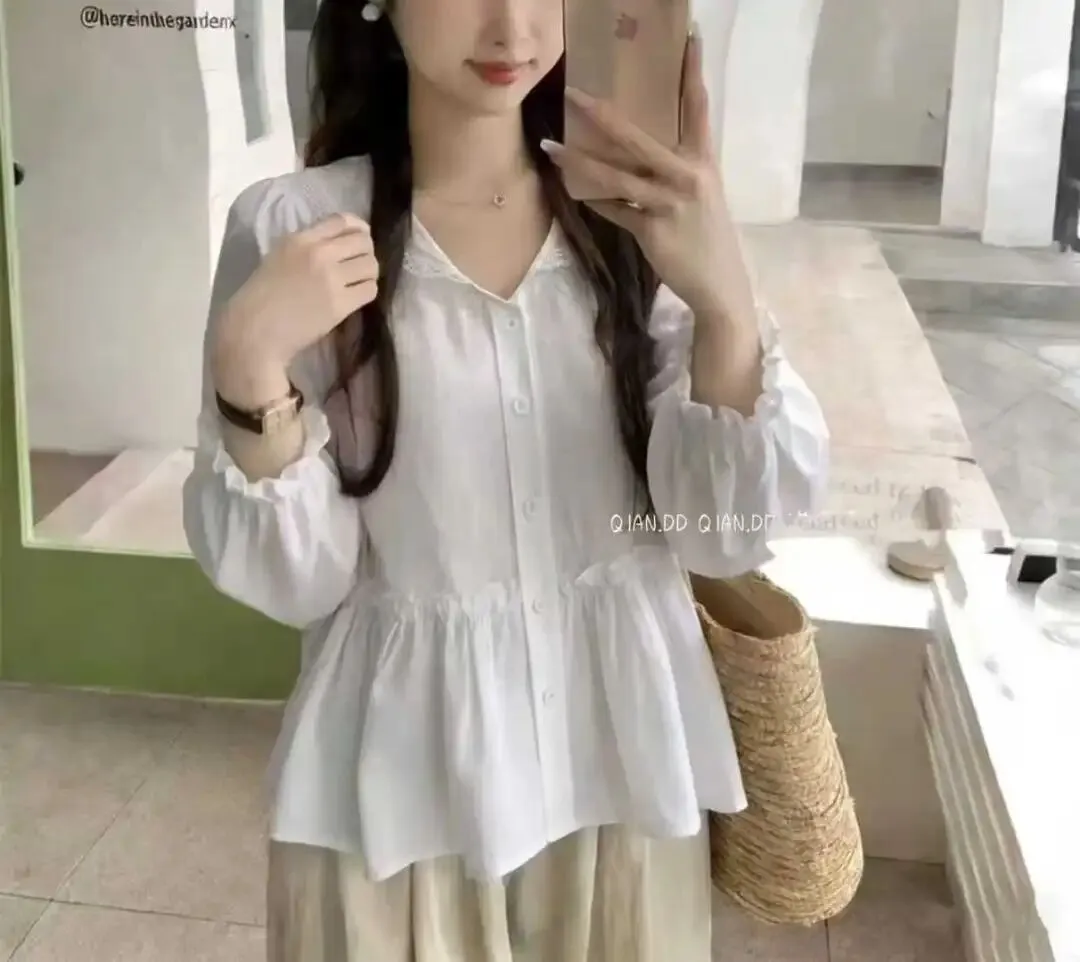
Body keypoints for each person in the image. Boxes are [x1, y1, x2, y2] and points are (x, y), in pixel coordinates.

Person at [182, 0, 830, 958]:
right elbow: (302, 582)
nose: (513, 29)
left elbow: (719, 532)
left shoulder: (632, 214)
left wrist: (725, 304)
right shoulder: (295, 228)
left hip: (622, 774)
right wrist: (248, 369)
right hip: (399, 803)